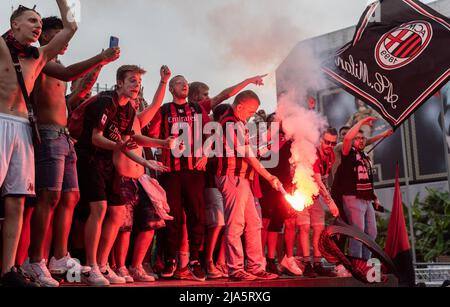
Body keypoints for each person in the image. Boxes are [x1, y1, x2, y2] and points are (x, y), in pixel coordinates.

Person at [21, 16, 119, 287]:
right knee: (48, 197)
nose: (64, 43)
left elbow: (77, 92)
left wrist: (101, 64)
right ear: (45, 36)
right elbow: (68, 75)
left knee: (71, 197)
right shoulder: (40, 59)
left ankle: (59, 256)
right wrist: (99, 56)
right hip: (48, 134)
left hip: (64, 137)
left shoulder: (56, 64)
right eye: (58, 35)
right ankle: (35, 259)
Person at [0, 1, 77, 286]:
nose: (37, 27)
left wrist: (62, 2)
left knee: (17, 199)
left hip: (22, 128)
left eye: (40, 24)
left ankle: (8, 271)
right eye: (32, 21)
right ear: (14, 24)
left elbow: (71, 27)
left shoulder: (39, 55)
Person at [75, 65, 156, 286]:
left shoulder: (129, 110)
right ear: (119, 83)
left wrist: (145, 159)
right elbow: (96, 138)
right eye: (132, 80)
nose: (136, 85)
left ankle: (102, 264)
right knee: (99, 208)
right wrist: (119, 146)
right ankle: (91, 266)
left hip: (108, 162)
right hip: (89, 157)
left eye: (138, 82)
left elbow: (130, 143)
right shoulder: (105, 103)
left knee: (118, 212)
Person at [214, 90, 282, 281]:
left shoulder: (239, 123)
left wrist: (267, 139)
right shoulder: (229, 123)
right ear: (240, 106)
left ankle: (255, 266)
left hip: (243, 179)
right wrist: (269, 176)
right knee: (235, 224)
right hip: (232, 176)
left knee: (254, 223)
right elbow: (248, 155)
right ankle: (235, 269)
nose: (252, 114)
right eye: (251, 111)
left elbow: (251, 149)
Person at [334, 117, 383, 260]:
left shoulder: (364, 156)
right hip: (352, 197)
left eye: (363, 138)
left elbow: (368, 179)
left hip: (366, 198)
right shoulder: (347, 153)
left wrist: (374, 197)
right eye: (358, 138)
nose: (361, 140)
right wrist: (361, 122)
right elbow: (348, 139)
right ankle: (356, 264)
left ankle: (366, 263)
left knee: (372, 233)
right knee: (358, 233)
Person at [295, 128, 340, 277]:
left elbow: (324, 181)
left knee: (319, 228)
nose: (330, 146)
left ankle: (318, 263)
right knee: (305, 227)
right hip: (301, 192)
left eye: (333, 143)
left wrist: (328, 198)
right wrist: (331, 203)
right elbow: (319, 182)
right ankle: (307, 264)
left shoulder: (331, 155)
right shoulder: (313, 154)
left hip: (314, 195)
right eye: (327, 142)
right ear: (321, 140)